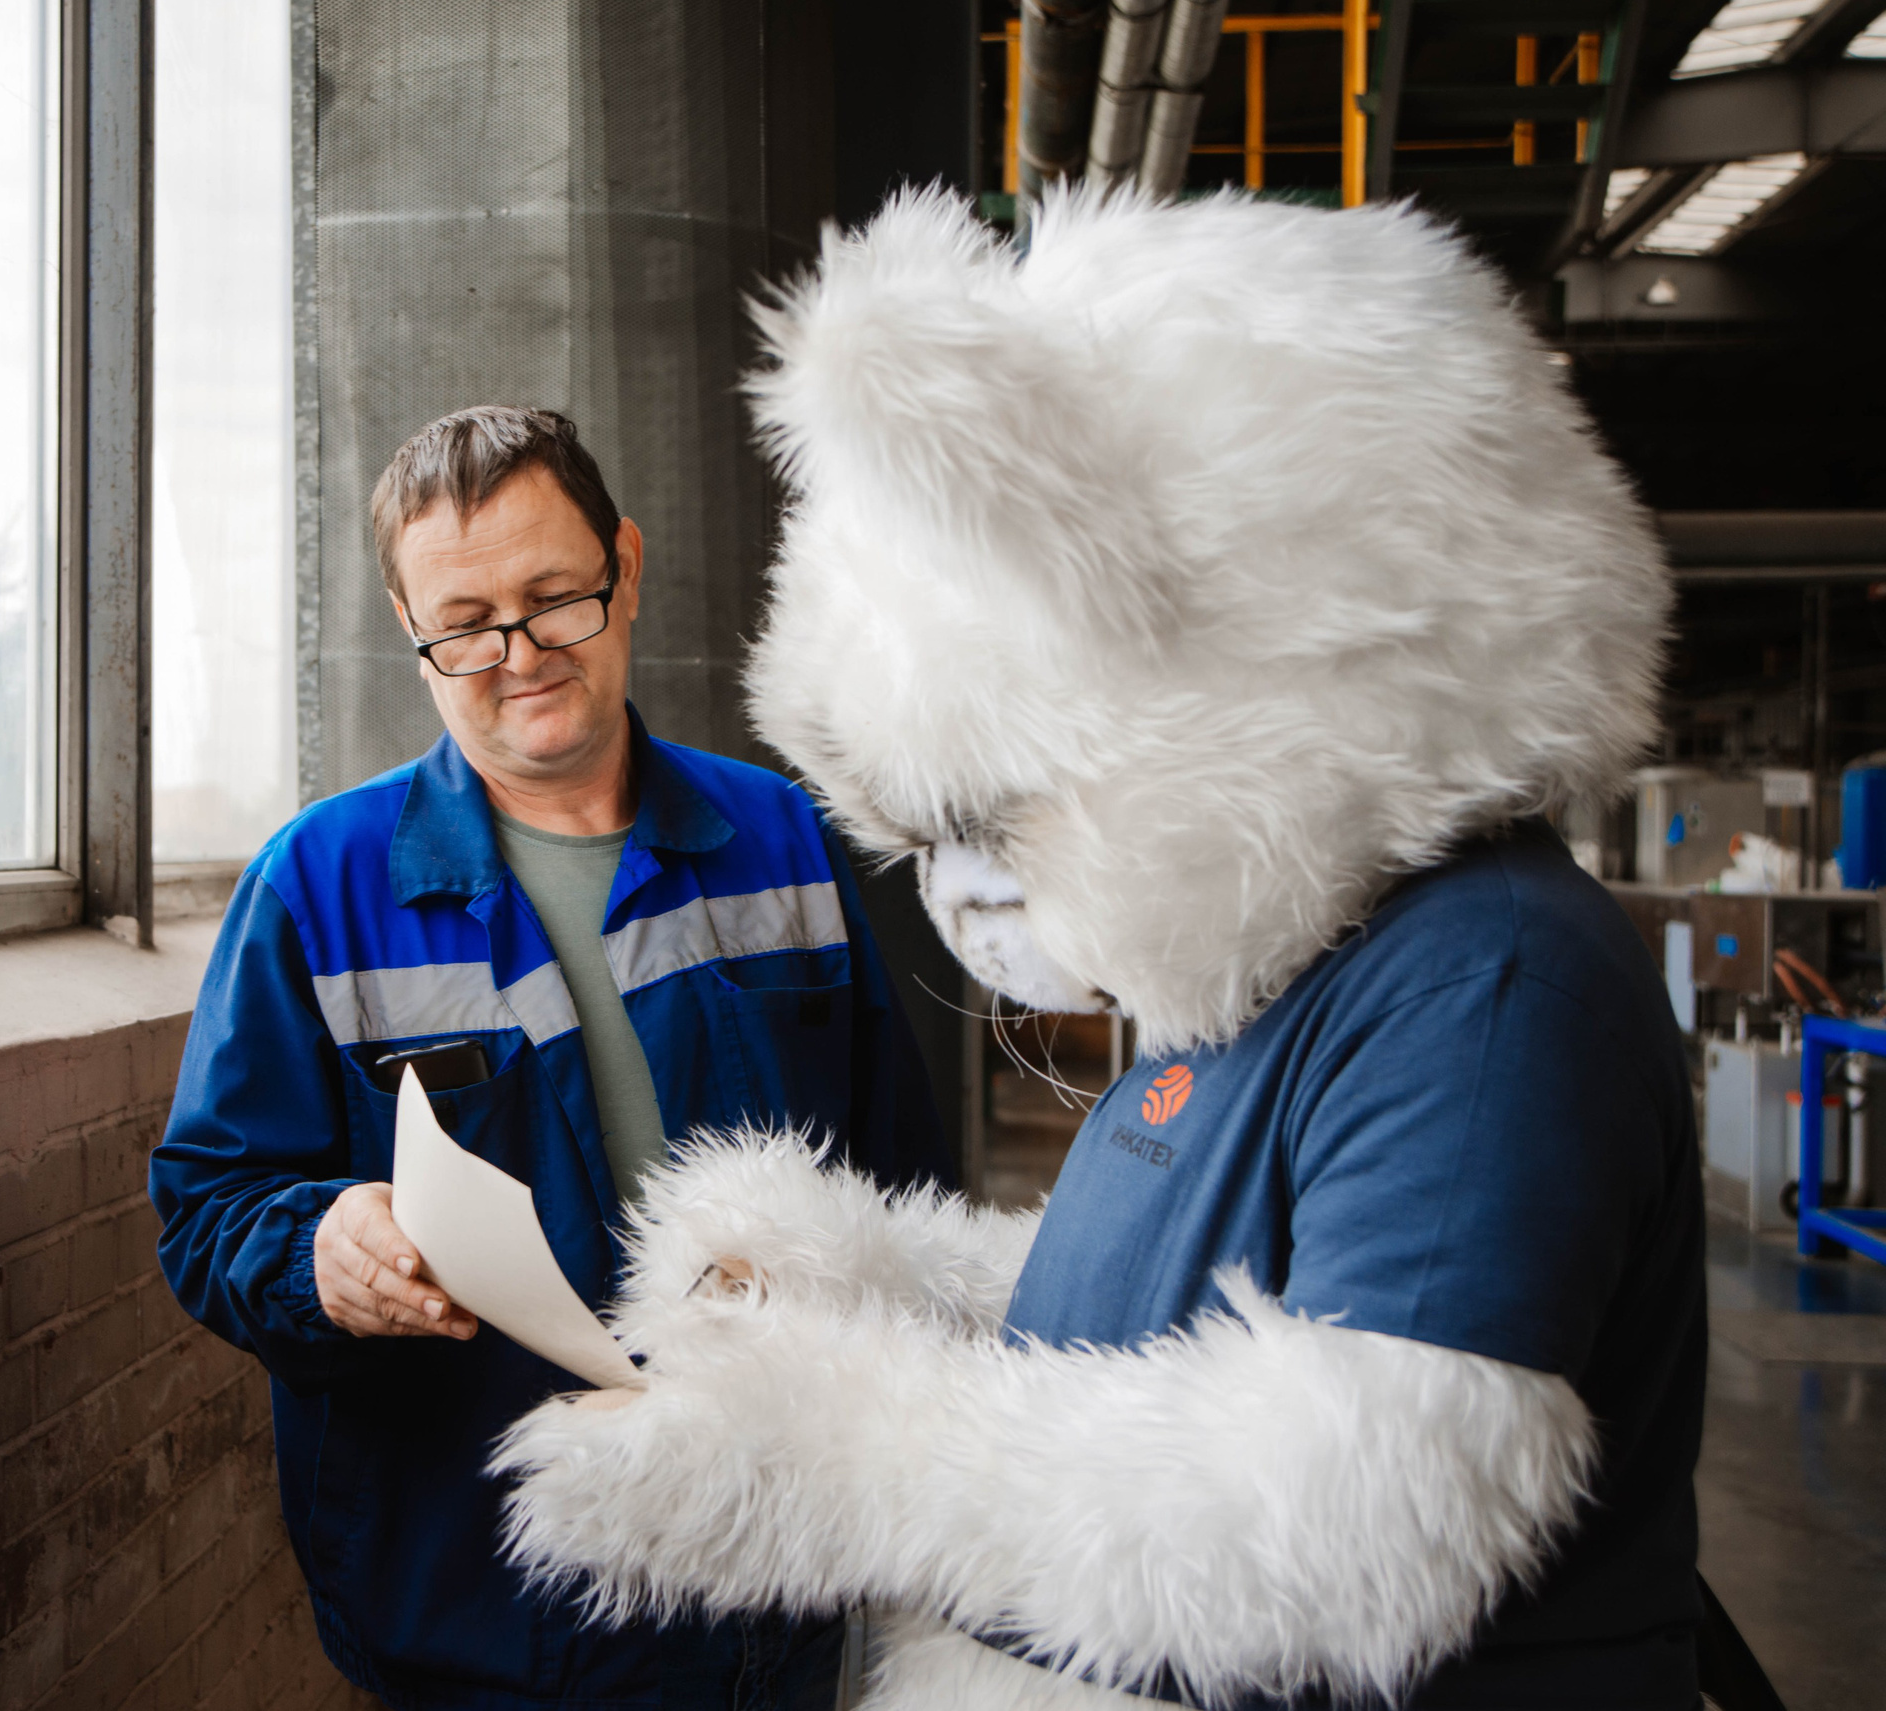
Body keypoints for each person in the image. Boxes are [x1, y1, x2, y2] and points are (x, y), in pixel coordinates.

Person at [494, 192, 1708, 1709]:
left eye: (996, 819)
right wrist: (870, 1284)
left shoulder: (1486, 991)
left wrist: (826, 1457)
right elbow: (1164, 1298)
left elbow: (1331, 1528)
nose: (966, 908)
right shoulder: (1277, 950)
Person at [151, 405, 950, 1711]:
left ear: (624, 569)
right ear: (412, 632)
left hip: (783, 1565)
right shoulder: (314, 889)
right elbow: (209, 1207)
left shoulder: (780, 836)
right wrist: (319, 1248)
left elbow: (906, 1176)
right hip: (490, 1614)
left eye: (553, 599)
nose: (517, 655)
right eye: (464, 623)